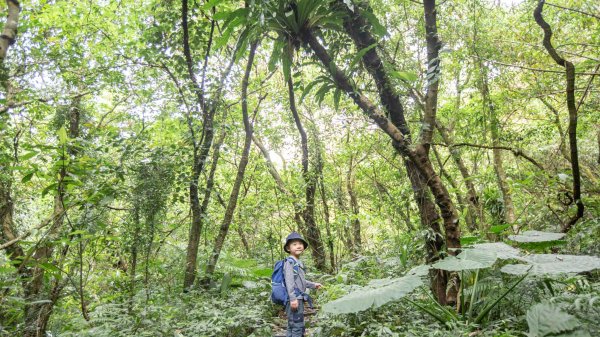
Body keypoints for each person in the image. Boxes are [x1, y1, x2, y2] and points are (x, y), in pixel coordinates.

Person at [283, 231, 322, 337]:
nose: (298, 246)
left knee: (292, 325)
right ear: (288, 248)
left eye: (300, 244)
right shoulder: (290, 262)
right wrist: (293, 298)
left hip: (297, 297)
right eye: (294, 244)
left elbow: (301, 281)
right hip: (294, 298)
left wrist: (313, 285)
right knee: (297, 326)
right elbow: (289, 281)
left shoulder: (297, 262)